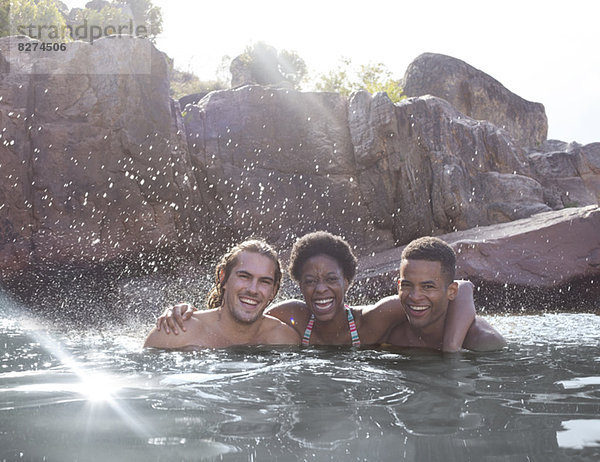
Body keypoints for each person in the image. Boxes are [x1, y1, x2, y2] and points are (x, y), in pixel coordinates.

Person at [155, 231, 478, 351]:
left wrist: (451, 350)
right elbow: (237, 318)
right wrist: (185, 312)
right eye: (310, 281)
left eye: (331, 280)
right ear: (298, 284)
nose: (320, 289)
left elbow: (462, 288)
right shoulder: (291, 315)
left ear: (347, 281)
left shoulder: (377, 317)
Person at [143, 239, 300, 349]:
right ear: (223, 278)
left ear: (274, 290)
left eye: (264, 281)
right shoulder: (176, 333)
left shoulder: (284, 340)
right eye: (244, 276)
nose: (253, 289)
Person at [383, 236, 506, 351]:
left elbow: (465, 287)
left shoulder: (483, 341)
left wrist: (452, 349)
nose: (415, 297)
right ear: (399, 286)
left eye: (428, 287)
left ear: (452, 292)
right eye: (407, 285)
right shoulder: (385, 324)